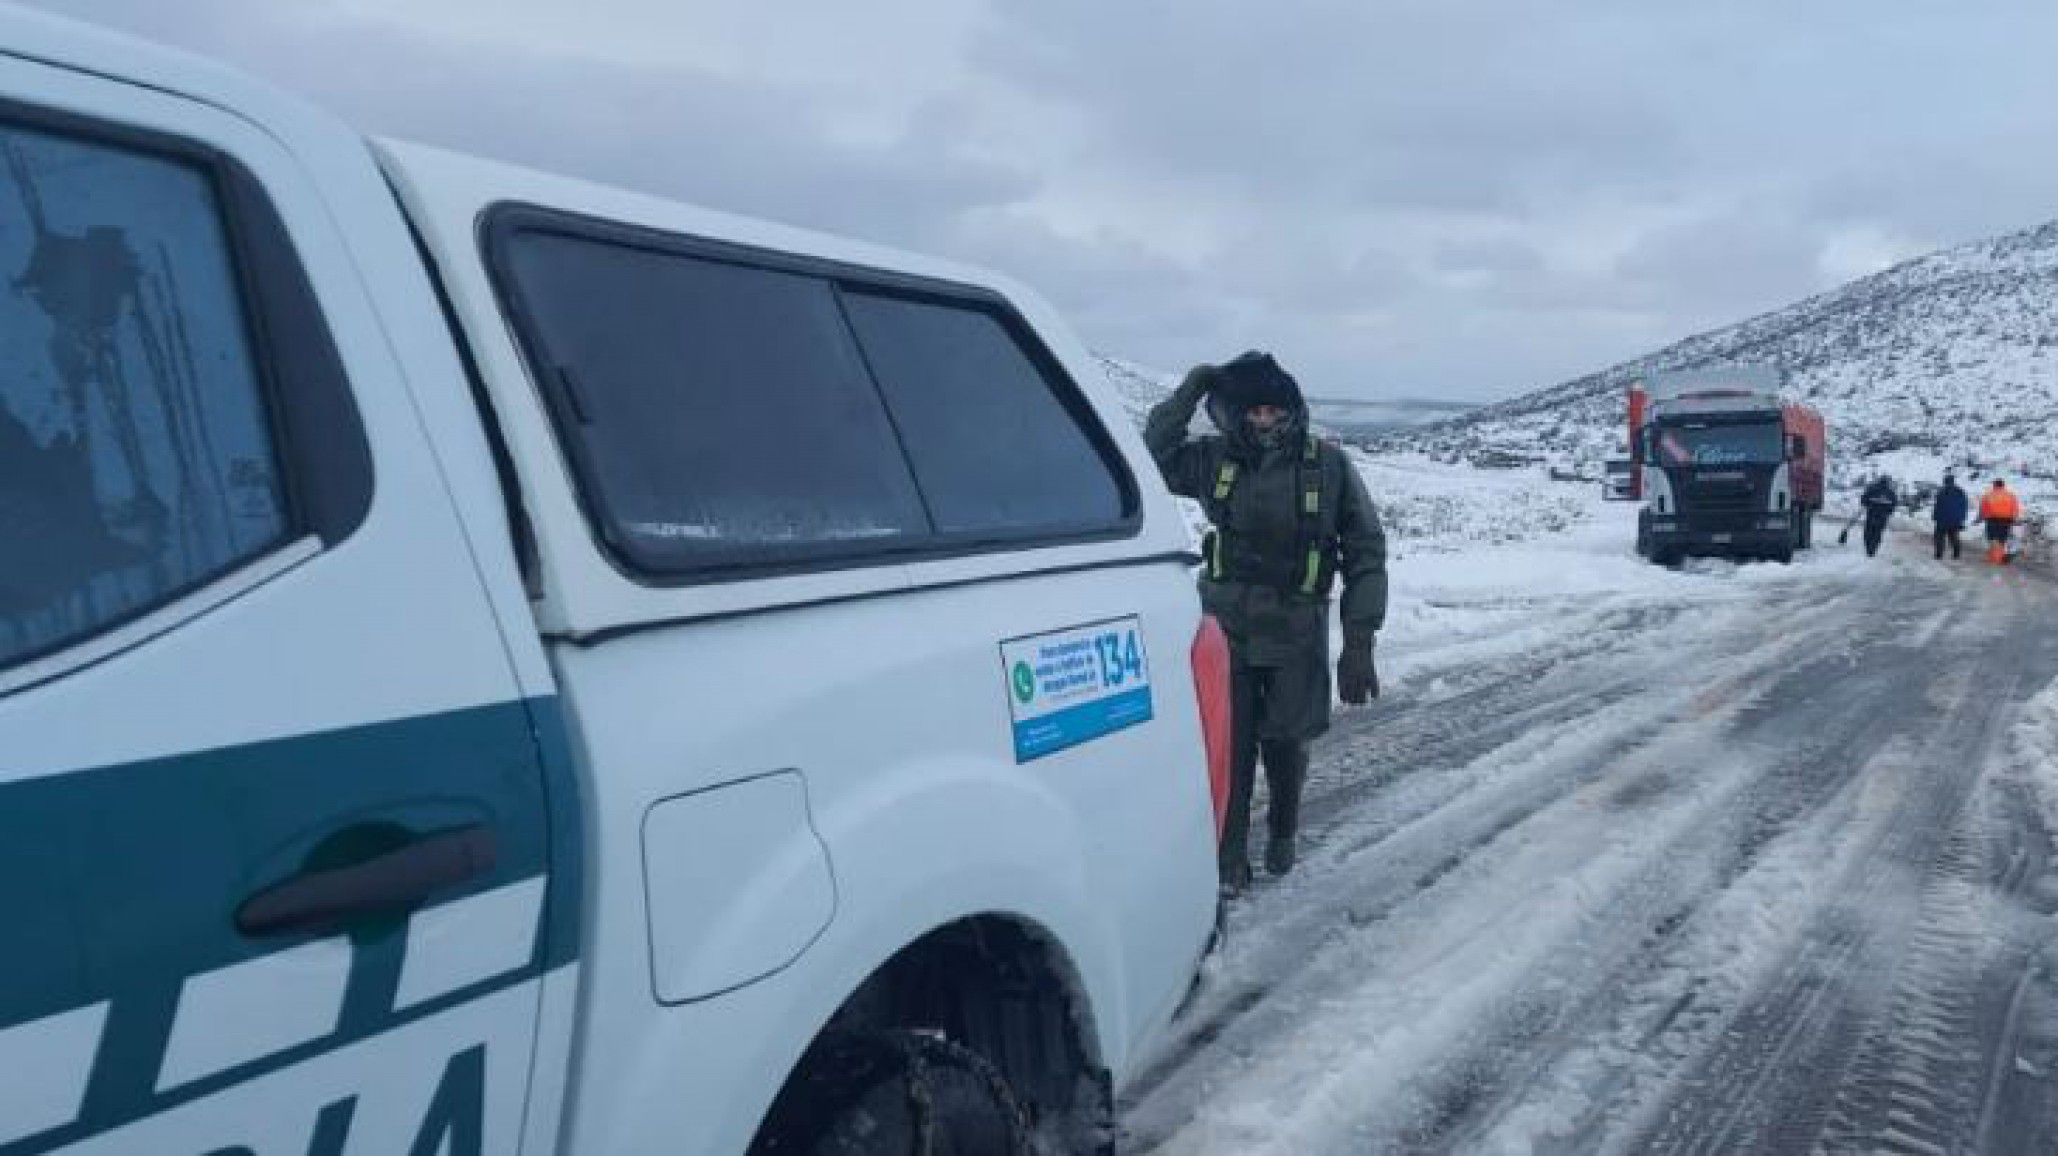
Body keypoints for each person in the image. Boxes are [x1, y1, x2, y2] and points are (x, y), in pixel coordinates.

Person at [1144, 351, 1388, 894]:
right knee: (1228, 744)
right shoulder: (1212, 460)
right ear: (1232, 412)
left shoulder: (1328, 467)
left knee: (1285, 741)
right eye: (1250, 411)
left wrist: (1360, 641)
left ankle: (1282, 828)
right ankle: (1228, 857)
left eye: (1272, 411)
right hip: (1225, 625)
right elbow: (1152, 456)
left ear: (1290, 410)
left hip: (1296, 628)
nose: (1262, 421)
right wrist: (1190, 389)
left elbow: (1366, 552)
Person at [1979, 478, 2022, 564]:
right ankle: (1999, 556)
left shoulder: (1988, 495)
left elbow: (1983, 508)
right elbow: (2015, 508)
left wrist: (1981, 517)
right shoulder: (2011, 495)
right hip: (2006, 520)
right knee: (2002, 538)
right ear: (2003, 485)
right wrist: (2014, 518)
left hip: (1992, 519)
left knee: (1992, 538)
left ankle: (1994, 558)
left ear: (1994, 485)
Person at [1932, 472, 1968, 560]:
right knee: (1954, 536)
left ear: (1945, 482)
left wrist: (1934, 516)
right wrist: (1962, 517)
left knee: (1939, 536)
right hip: (1956, 519)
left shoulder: (1942, 492)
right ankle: (1956, 553)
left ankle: (1939, 554)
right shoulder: (1960, 491)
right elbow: (1964, 505)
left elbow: (1938, 506)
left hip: (1942, 519)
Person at [1859, 474, 1898, 558]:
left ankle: (1868, 547)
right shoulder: (1891, 492)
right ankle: (1873, 549)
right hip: (1882, 516)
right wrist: (1889, 511)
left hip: (1871, 513)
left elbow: (1863, 499)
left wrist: (1867, 504)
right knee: (1878, 532)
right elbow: (1894, 504)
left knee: (1868, 531)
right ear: (1887, 482)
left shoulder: (1872, 488)